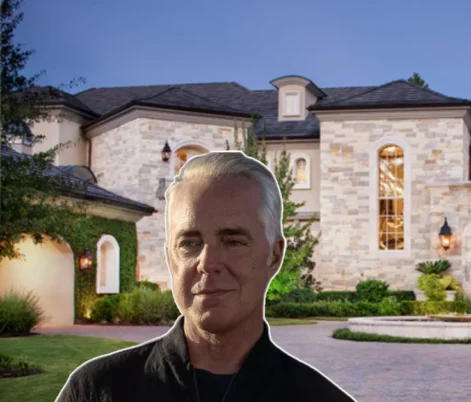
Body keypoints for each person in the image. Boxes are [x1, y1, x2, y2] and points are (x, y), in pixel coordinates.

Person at [56, 151, 356, 402]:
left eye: (233, 241)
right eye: (189, 243)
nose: (207, 262)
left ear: (274, 256)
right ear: (170, 258)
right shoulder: (96, 390)